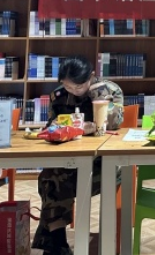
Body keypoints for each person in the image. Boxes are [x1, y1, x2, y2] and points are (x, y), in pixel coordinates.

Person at [32, 55, 124, 255]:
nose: (74, 90)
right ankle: (59, 243)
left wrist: (96, 96)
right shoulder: (58, 96)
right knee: (49, 176)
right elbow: (52, 126)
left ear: (91, 76)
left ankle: (53, 244)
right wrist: (58, 129)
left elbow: (115, 122)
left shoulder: (110, 90)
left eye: (79, 86)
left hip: (103, 164)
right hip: (69, 161)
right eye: (68, 86)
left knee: (58, 180)